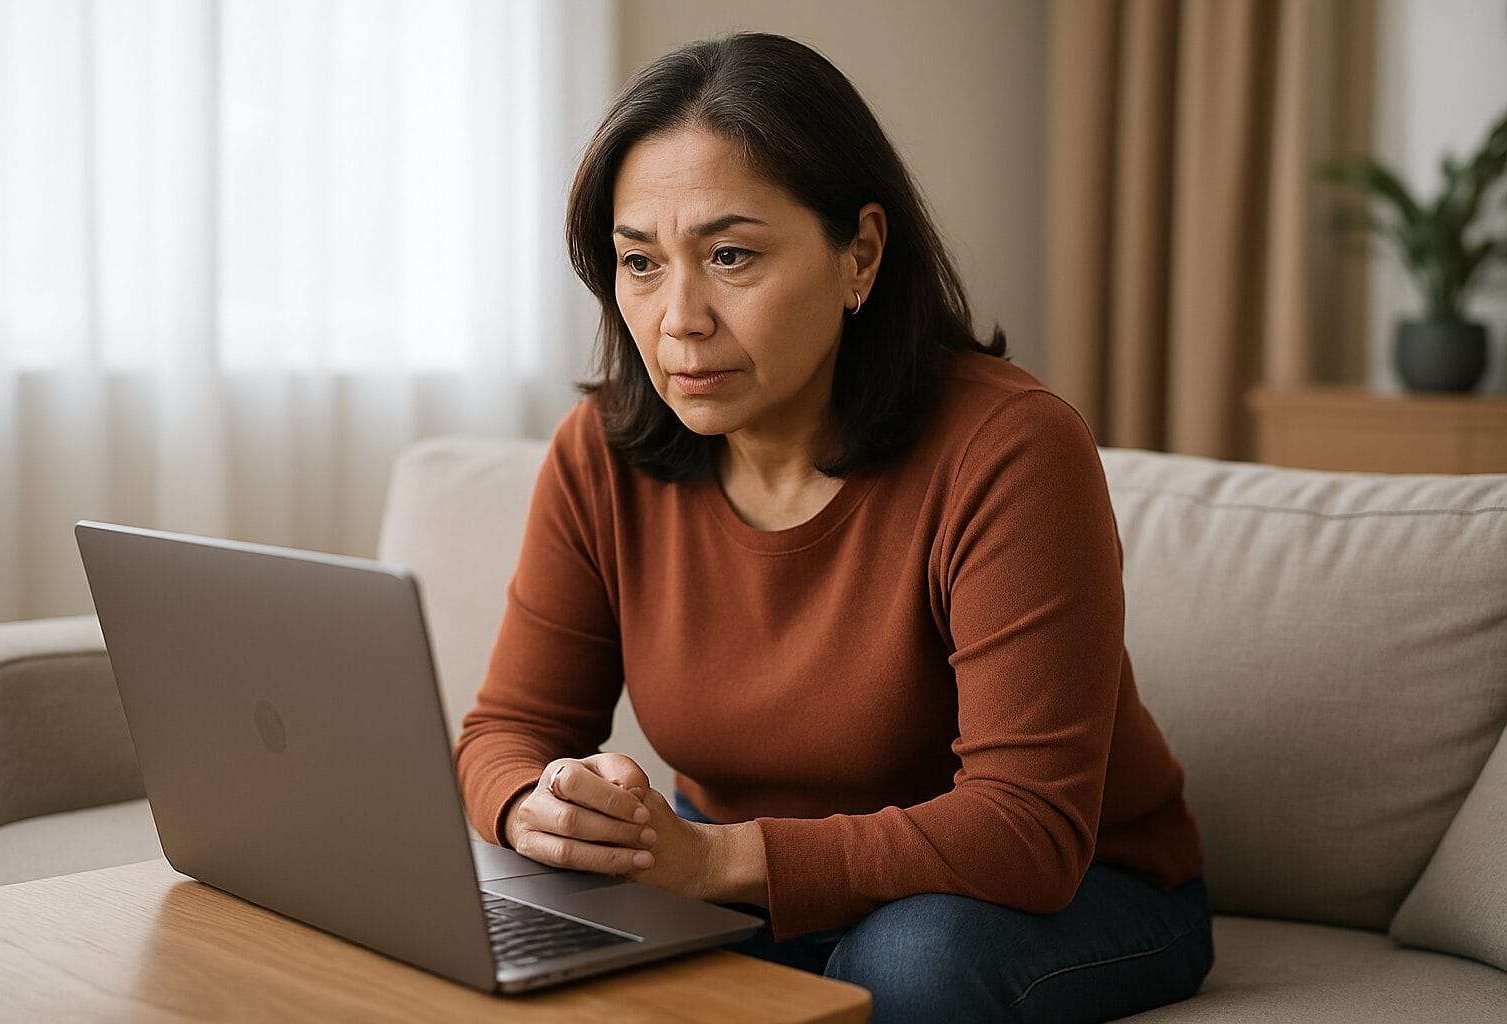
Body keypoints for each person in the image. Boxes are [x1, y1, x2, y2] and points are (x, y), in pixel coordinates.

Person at [454, 31, 1213, 1024]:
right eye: (641, 263)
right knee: (507, 920)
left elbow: (1026, 827)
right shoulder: (600, 455)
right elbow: (506, 732)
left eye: (730, 256)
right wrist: (539, 807)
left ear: (859, 253)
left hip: (1062, 889)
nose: (679, 317)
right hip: (742, 880)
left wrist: (720, 859)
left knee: (909, 960)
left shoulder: (1010, 450)